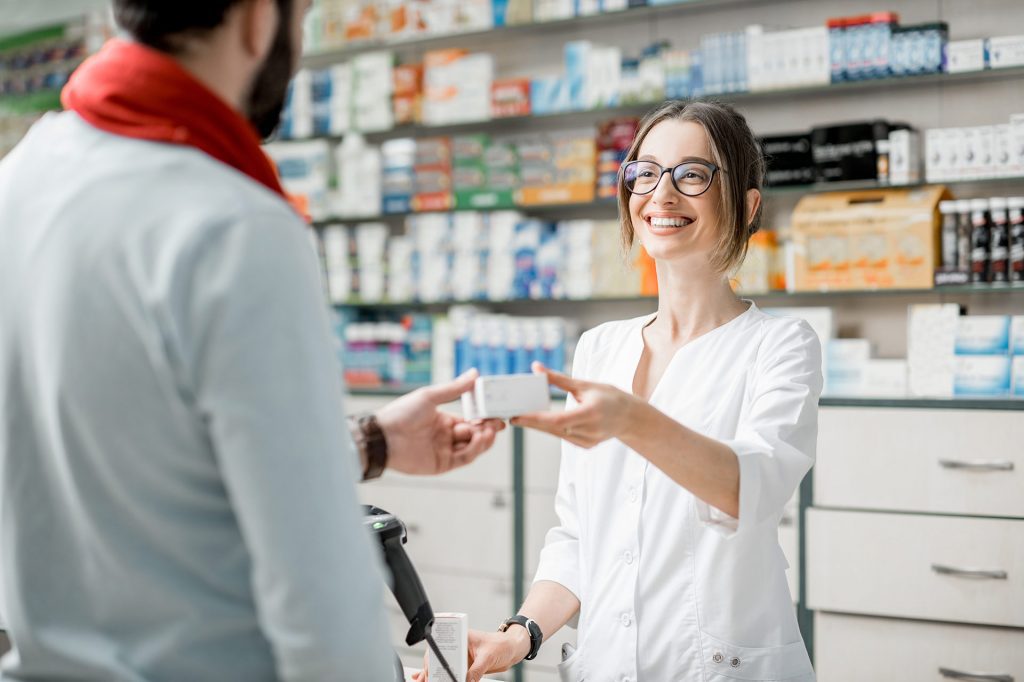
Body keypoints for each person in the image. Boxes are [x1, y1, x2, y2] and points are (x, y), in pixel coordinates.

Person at [0, 0, 503, 679]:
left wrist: (372, 442)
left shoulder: (24, 175)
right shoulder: (235, 223)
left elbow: (123, 457)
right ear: (258, 19)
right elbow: (319, 594)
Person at [422, 100, 822, 682]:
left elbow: (749, 489)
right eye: (645, 172)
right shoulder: (600, 348)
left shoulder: (780, 344)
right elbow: (579, 535)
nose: (662, 194)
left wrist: (632, 421)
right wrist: (517, 637)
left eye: (692, 174)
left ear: (747, 203)